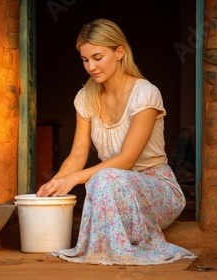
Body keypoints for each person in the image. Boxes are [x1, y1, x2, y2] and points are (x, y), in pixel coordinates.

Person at [36, 18, 195, 265]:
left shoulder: (145, 93)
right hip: (111, 188)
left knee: (104, 178)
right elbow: (79, 152)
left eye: (98, 57)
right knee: (102, 180)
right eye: (85, 59)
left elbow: (127, 159)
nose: (91, 66)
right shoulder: (85, 97)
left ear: (119, 52)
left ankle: (118, 249)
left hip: (157, 190)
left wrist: (74, 179)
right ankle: (109, 248)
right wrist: (55, 184)